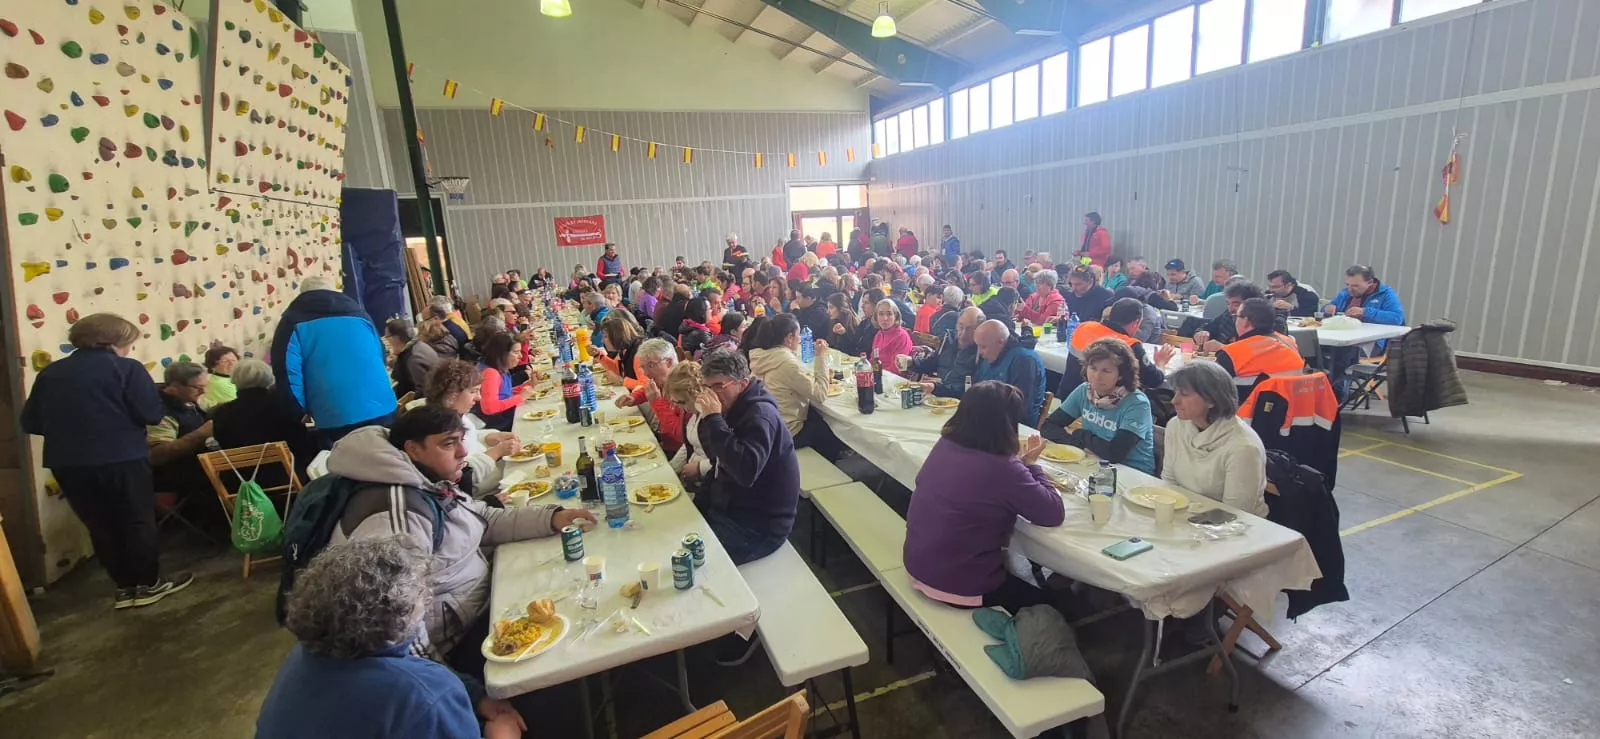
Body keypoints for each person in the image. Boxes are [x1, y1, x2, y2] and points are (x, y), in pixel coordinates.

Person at [324, 406, 595, 726]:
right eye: (448, 443)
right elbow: (398, 636)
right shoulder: (396, 518)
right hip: (456, 647)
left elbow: (483, 519)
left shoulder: (423, 480)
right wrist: (473, 696)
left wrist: (552, 517)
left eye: (461, 440)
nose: (464, 452)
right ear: (413, 449)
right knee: (573, 639)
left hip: (483, 605)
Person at [20, 313, 192, 609]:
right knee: (136, 520)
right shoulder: (127, 368)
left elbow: (31, 422)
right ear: (114, 341)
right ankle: (148, 584)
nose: (129, 349)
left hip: (68, 462)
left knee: (100, 524)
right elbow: (151, 414)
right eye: (129, 343)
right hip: (121, 456)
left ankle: (124, 588)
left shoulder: (50, 373)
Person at [256, 537, 484, 739]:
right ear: (397, 625)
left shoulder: (301, 654)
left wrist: (476, 697)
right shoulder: (423, 696)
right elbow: (422, 695)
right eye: (421, 598)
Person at [904, 381, 1063, 612]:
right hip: (959, 584)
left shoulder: (946, 443)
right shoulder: (1003, 467)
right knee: (1055, 606)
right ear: (1007, 423)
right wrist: (1031, 465)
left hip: (918, 564)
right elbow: (1053, 512)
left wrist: (1022, 466)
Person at [691, 349, 802, 564]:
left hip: (760, 526)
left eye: (718, 386)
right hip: (730, 508)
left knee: (693, 563)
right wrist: (699, 505)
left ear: (742, 384)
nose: (711, 395)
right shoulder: (728, 409)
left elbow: (745, 472)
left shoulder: (760, 415)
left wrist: (713, 419)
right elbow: (718, 464)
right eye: (706, 387)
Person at [272, 276, 395, 446]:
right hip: (382, 404)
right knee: (388, 456)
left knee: (348, 460)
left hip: (335, 412)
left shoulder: (291, 322)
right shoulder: (360, 314)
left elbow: (287, 371)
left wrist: (298, 411)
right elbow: (380, 353)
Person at [1163, 363, 1269, 518]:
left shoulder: (1243, 447)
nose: (1174, 400)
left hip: (1232, 525)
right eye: (1175, 392)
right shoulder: (1176, 426)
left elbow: (1234, 513)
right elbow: (1169, 482)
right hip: (1186, 514)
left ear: (1212, 400)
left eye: (1184, 394)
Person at [1041, 339, 1157, 475]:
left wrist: (1079, 434)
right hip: (1095, 461)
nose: (1096, 376)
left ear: (1121, 375)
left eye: (1106, 371)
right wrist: (1079, 443)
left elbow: (1115, 453)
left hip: (1134, 472)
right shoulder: (1084, 391)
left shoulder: (1137, 403)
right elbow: (1048, 427)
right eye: (1093, 368)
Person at [211, 359, 318, 480]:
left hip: (241, 480)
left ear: (235, 380)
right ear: (269, 378)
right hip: (287, 475)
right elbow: (301, 443)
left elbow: (224, 443)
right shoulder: (283, 405)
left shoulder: (222, 412)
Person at [747, 313, 835, 452]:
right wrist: (821, 357)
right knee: (831, 430)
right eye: (798, 335)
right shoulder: (786, 362)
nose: (800, 339)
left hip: (766, 425)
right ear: (789, 338)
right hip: (786, 431)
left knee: (816, 415)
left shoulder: (764, 355)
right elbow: (820, 394)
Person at [1059, 298, 1174, 399]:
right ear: (1137, 322)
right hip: (1100, 405)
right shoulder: (1129, 345)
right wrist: (1161, 363)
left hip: (1068, 395)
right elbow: (1153, 380)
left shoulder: (1084, 327)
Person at [147, 361, 215, 502]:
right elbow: (157, 454)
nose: (203, 392)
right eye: (198, 388)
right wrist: (200, 434)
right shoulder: (161, 413)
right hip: (174, 476)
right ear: (175, 386)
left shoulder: (188, 400)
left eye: (205, 386)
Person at [1216, 298, 1305, 402]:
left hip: (1249, 409)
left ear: (1246, 321)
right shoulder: (1289, 342)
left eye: (1237, 316)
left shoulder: (1232, 353)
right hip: (1295, 406)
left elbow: (1212, 387)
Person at [615, 339, 687, 457]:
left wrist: (656, 402)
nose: (646, 373)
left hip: (677, 451)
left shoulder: (684, 388)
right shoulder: (664, 380)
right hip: (662, 441)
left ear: (668, 362)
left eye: (650, 365)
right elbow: (649, 389)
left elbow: (681, 434)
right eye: (643, 367)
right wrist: (633, 397)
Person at [973, 320, 1046, 425]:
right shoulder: (990, 355)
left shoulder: (1024, 360)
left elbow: (1020, 409)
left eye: (983, 347)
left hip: (1015, 427)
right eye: (978, 346)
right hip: (986, 418)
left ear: (1000, 342)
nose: (979, 352)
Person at [913, 307, 982, 398]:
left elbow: (969, 389)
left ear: (979, 330)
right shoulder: (949, 339)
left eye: (969, 329)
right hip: (936, 394)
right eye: (961, 327)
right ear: (956, 324)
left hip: (958, 400)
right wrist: (912, 362)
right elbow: (933, 363)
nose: (963, 334)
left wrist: (937, 386)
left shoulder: (981, 352)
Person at [1193, 280, 1278, 352]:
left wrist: (1225, 348)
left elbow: (1259, 352)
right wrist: (1201, 333)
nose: (1230, 309)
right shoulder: (1229, 315)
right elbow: (1207, 327)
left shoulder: (1266, 322)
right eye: (1228, 304)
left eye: (1236, 304)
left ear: (1252, 303)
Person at [474, 333, 531, 432]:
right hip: (500, 428)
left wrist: (529, 385)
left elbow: (504, 394)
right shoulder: (490, 373)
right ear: (502, 354)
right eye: (516, 352)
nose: (520, 356)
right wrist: (520, 397)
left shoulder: (501, 368)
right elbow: (489, 408)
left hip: (506, 420)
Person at [385, 319, 439, 401]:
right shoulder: (418, 346)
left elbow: (424, 393)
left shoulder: (413, 358)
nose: (387, 341)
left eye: (387, 337)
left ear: (396, 338)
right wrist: (392, 362)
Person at [595, 312, 646, 390]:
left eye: (605, 336)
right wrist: (598, 355)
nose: (602, 341)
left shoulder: (638, 354)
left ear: (617, 336)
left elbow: (646, 386)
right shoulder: (624, 349)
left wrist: (621, 381)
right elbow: (618, 369)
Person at [870, 299, 915, 373]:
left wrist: (875, 374)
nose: (885, 318)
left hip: (893, 377)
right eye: (881, 314)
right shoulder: (879, 334)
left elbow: (897, 369)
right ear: (876, 317)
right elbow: (873, 360)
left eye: (889, 314)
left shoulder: (901, 336)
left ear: (895, 316)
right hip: (877, 374)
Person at [201, 345, 239, 410]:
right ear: (213, 365)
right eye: (225, 361)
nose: (231, 363)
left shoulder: (232, 377)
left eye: (234, 360)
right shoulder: (217, 383)